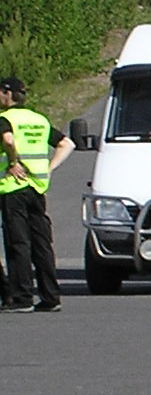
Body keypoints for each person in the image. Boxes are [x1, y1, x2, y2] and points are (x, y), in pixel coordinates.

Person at [0, 77, 74, 312]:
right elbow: (67, 143)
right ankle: (51, 296)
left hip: (13, 186)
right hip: (37, 188)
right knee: (42, 243)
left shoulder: (5, 119)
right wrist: (49, 168)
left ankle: (22, 297)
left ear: (8, 94)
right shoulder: (38, 120)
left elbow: (8, 139)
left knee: (18, 243)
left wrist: (13, 161)